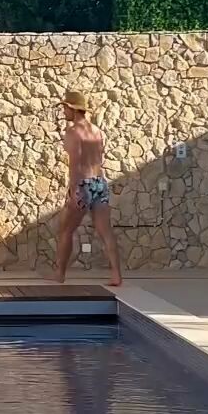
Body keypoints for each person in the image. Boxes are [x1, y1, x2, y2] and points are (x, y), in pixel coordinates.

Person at [55, 86, 122, 287]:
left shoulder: (73, 132)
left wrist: (73, 190)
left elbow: (75, 164)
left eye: (65, 108)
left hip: (82, 183)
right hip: (99, 183)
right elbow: (98, 158)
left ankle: (60, 274)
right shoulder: (96, 131)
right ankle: (116, 275)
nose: (64, 112)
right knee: (105, 231)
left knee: (66, 229)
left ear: (73, 109)